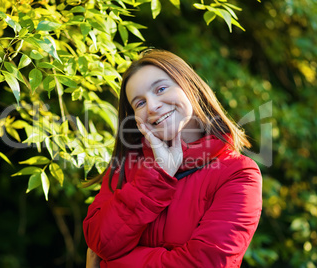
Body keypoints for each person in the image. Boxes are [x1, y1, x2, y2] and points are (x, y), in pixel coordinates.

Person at [83, 49, 262, 267]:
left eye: (161, 89)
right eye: (139, 103)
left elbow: (205, 263)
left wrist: (111, 264)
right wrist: (157, 175)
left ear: (190, 87)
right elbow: (102, 243)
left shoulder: (239, 173)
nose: (152, 106)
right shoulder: (126, 165)